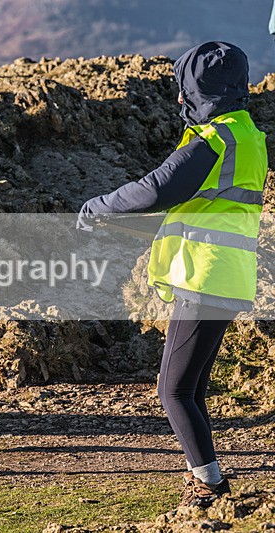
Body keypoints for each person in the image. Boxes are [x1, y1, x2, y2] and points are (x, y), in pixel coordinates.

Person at [78, 42, 266, 507]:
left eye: (185, 89)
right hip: (227, 275)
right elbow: (197, 204)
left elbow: (156, 189)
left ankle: (209, 485)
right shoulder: (247, 135)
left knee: (173, 391)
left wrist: (98, 206)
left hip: (205, 277)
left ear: (200, 91)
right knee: (191, 389)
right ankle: (203, 477)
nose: (179, 99)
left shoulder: (214, 140)